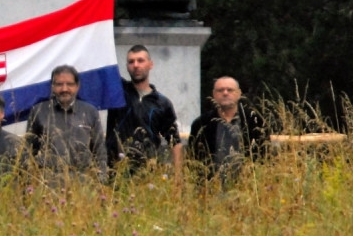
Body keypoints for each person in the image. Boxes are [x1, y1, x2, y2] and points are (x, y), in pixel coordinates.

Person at [106, 46, 183, 178]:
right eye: (131, 62)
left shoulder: (162, 103)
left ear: (150, 64)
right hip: (115, 171)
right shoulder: (117, 91)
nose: (135, 65)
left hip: (148, 174)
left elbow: (175, 142)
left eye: (140, 60)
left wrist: (178, 178)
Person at [26, 65, 107, 182]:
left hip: (83, 183)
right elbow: (29, 150)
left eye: (70, 84)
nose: (64, 89)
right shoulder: (38, 111)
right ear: (52, 86)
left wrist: (101, 179)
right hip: (47, 183)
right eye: (59, 84)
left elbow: (99, 150)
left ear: (77, 86)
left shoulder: (90, 112)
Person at [188, 76, 269, 182]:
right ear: (214, 94)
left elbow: (265, 156)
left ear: (239, 93)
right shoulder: (201, 123)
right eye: (220, 90)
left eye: (230, 90)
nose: (225, 93)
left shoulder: (254, 121)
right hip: (211, 186)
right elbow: (193, 158)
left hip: (247, 186)